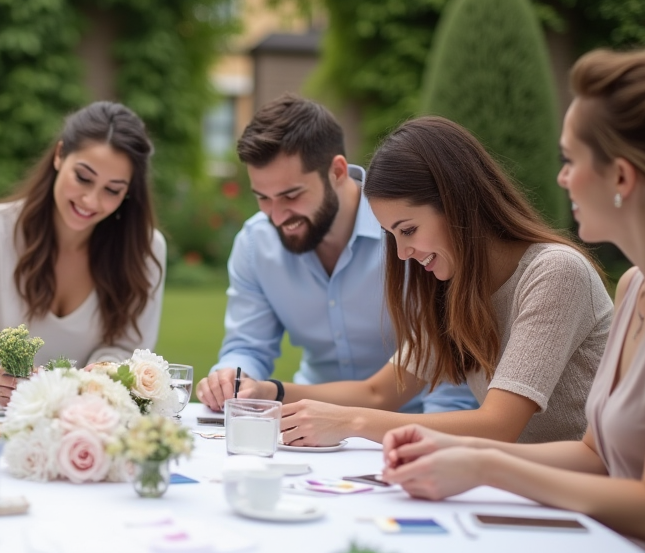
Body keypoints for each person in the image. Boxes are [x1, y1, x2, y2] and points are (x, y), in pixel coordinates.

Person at [379, 49, 645, 553]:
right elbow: (596, 456)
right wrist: (457, 450)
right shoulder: (634, 288)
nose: (561, 178)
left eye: (571, 160)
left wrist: (485, 464)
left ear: (622, 178)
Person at [229, 116, 613, 446]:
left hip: (585, 503)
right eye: (391, 235)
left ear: (458, 202)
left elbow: (497, 426)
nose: (401, 254)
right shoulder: (456, 289)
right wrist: (270, 392)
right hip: (517, 488)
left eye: (408, 229)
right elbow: (379, 392)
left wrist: (350, 423)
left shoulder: (554, 273)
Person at [196, 95, 478, 415]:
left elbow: (450, 380)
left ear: (338, 171)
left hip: (412, 423)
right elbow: (248, 344)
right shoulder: (254, 242)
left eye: (291, 195)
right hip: (308, 419)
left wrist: (427, 443)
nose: (276, 216)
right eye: (263, 197)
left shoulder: (413, 233)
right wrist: (233, 378)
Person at [0, 101, 166, 403]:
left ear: (128, 192)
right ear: (59, 155)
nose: (90, 200)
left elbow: (127, 356)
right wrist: (3, 382)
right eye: (83, 177)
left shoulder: (145, 250)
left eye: (112, 190)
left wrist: (87, 382)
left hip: (92, 421)